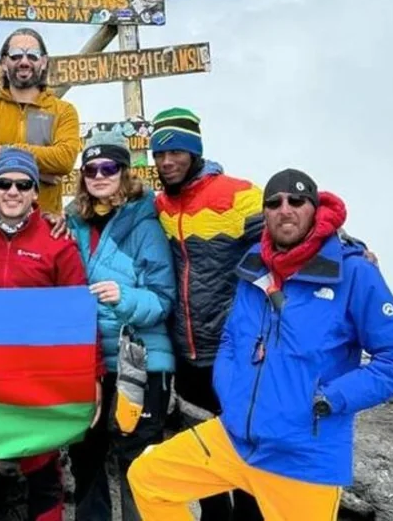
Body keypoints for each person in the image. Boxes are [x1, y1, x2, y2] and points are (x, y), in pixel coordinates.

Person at [127, 169, 393, 520]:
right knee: (148, 477)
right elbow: (233, 337)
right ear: (264, 212)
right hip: (236, 439)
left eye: (297, 201)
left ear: (314, 208)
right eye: (275, 202)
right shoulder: (255, 264)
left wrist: (330, 399)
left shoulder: (353, 272)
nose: (286, 209)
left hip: (304, 459)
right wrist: (229, 386)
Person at [0, 147, 92, 521]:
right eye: (4, 183)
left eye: (23, 184)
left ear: (36, 192)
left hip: (38, 373)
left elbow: (79, 314)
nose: (12, 191)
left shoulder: (57, 240)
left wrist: (92, 375)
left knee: (41, 467)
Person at [149, 107, 265, 520]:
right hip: (186, 354)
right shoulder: (159, 204)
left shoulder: (239, 194)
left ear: (195, 151)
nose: (166, 162)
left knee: (242, 451)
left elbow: (295, 229)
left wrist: (349, 246)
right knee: (202, 455)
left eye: (176, 152)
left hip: (234, 353)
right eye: (159, 155)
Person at [62, 132, 177, 521]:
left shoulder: (146, 222)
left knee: (137, 464)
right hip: (88, 361)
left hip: (141, 362)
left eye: (108, 167)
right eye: (91, 168)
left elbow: (163, 298)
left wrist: (124, 296)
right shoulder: (72, 223)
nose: (99, 175)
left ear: (124, 172)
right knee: (86, 459)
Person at [0, 28, 82, 215]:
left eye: (33, 56)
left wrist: (7, 151)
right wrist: (40, 173)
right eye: (16, 55)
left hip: (45, 225)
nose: (25, 62)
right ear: (4, 62)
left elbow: (64, 160)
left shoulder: (64, 111)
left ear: (43, 62)